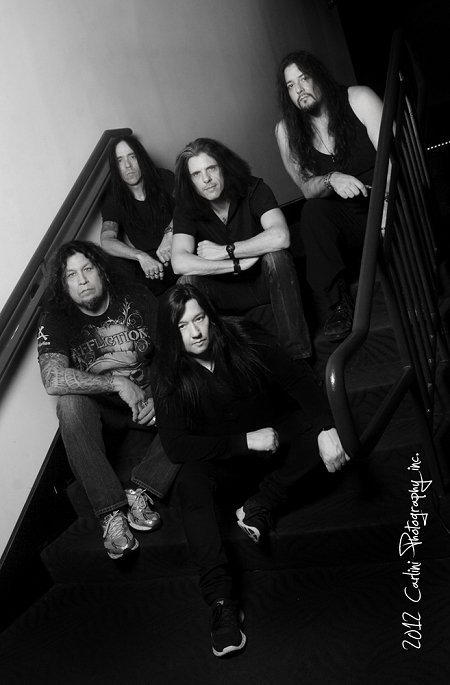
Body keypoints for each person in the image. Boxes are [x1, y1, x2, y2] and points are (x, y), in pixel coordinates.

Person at [153, 283, 349, 657]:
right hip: (227, 464)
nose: (195, 332)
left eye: (199, 319)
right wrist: (244, 442)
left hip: (277, 447)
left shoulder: (244, 337)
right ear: (171, 333)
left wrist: (326, 427)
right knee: (190, 482)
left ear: (211, 317)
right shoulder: (167, 373)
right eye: (182, 326)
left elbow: (297, 380)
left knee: (323, 431)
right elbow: (176, 447)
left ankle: (261, 503)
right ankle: (222, 604)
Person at [37, 241, 179, 559]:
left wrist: (160, 398)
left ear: (100, 270)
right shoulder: (55, 317)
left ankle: (140, 489)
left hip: (152, 402)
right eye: (71, 275)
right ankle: (111, 513)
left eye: (87, 269)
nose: (82, 280)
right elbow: (53, 378)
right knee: (69, 405)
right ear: (63, 284)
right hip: (107, 414)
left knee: (196, 391)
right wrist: (116, 383)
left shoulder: (135, 296)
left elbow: (173, 354)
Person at [170, 137, 311, 360]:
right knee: (187, 282)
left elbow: (281, 236)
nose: (206, 179)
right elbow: (179, 262)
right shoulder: (186, 207)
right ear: (190, 180)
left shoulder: (254, 188)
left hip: (264, 281)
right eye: (196, 174)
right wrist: (236, 264)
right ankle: (221, 363)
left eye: (211, 168)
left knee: (277, 257)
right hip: (226, 291)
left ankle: (298, 354)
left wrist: (226, 250)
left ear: (224, 167)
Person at [275, 50, 383, 341]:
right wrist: (331, 178)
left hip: (388, 200)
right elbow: (306, 188)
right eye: (291, 85)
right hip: (350, 218)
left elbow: (395, 157)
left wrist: (386, 204)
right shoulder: (287, 130)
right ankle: (338, 304)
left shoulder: (358, 98)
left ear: (319, 77)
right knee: (312, 212)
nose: (299, 89)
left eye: (304, 78)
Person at [100, 134, 177, 296]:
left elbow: (189, 207)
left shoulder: (164, 178)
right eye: (120, 160)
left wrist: (170, 235)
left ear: (141, 158)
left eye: (132, 156)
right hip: (153, 265)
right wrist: (140, 256)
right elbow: (107, 240)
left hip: (182, 247)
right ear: (115, 166)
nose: (128, 165)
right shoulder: (113, 198)